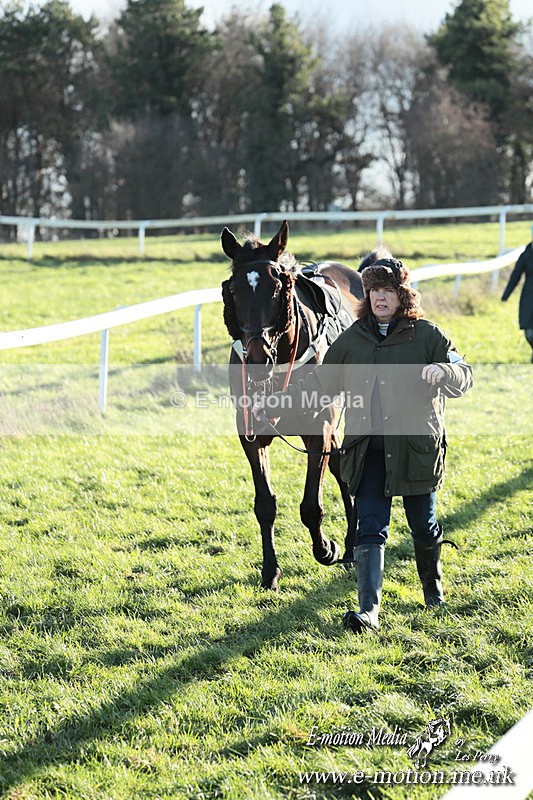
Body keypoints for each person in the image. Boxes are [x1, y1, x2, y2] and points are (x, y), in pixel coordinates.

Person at [253, 257, 473, 633]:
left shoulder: (428, 335)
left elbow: (464, 373)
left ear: (403, 296)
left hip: (414, 450)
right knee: (370, 527)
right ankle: (369, 612)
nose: (379, 299)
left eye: (388, 291)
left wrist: (446, 371)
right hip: (368, 452)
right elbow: (319, 384)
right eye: (373, 292)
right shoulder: (352, 340)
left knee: (423, 526)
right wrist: (278, 403)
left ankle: (433, 592)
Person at [501, 240, 533, 362]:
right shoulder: (527, 254)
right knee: (529, 333)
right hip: (529, 298)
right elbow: (516, 275)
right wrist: (506, 294)